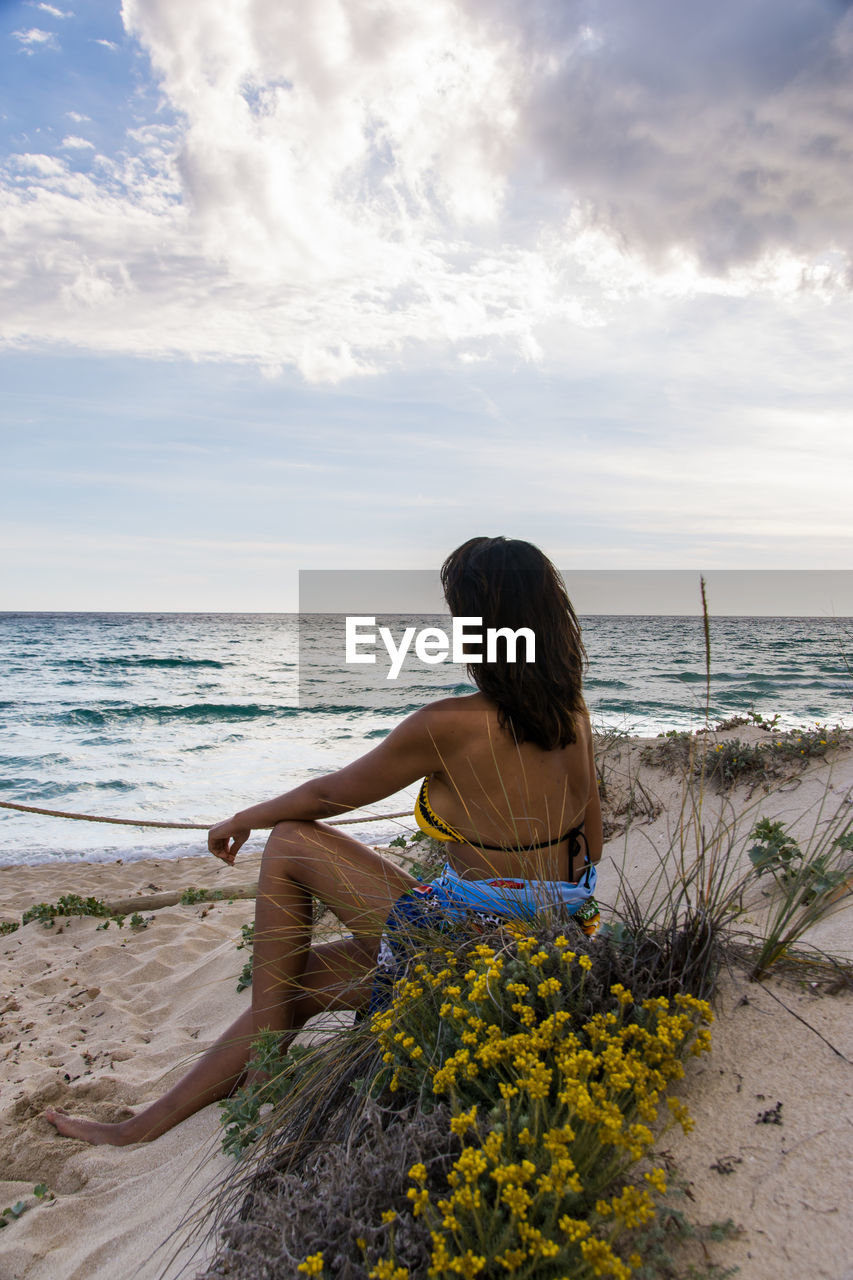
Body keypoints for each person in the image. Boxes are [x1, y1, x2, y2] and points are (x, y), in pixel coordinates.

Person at [44, 536, 602, 1145]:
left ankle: (259, 1081)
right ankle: (145, 1126)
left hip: (469, 953)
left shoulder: (448, 726)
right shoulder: (574, 715)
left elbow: (329, 797)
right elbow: (590, 849)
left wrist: (244, 818)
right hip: (546, 954)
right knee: (300, 980)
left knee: (288, 840)